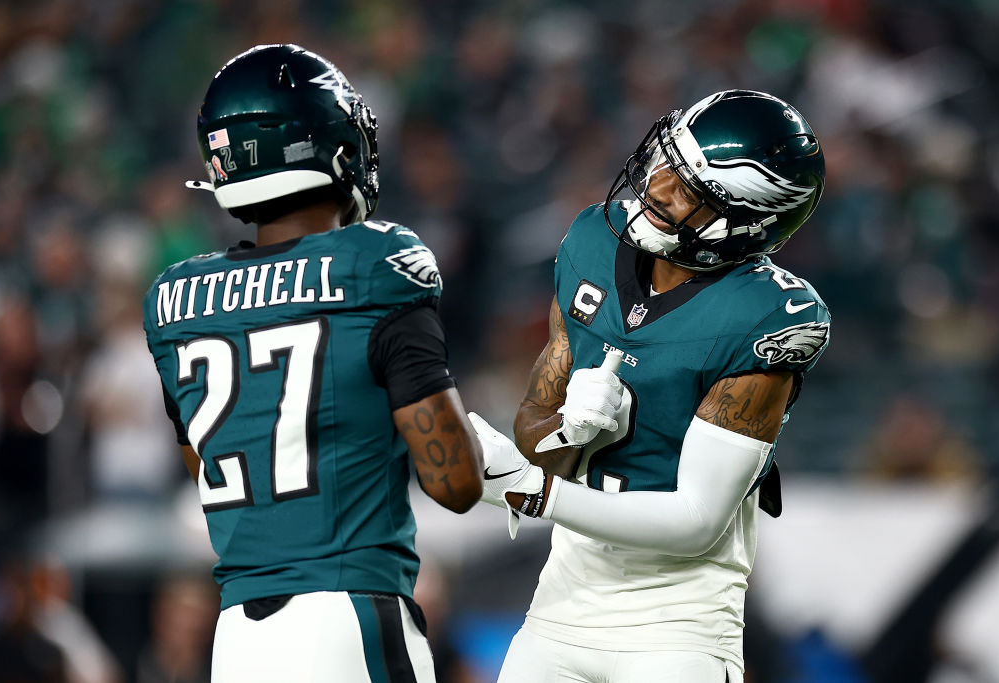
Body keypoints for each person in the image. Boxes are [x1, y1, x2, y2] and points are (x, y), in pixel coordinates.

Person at [142, 44, 484, 683]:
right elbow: (454, 484)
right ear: (331, 145)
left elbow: (207, 462)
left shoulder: (175, 300)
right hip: (348, 617)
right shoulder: (375, 266)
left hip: (238, 640)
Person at [470, 89, 830, 683]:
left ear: (746, 221)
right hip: (560, 605)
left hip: (676, 626)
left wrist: (530, 492)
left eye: (687, 190)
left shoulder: (769, 317)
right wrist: (568, 431)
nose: (657, 188)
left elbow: (694, 522)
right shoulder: (592, 242)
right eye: (666, 163)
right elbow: (537, 434)